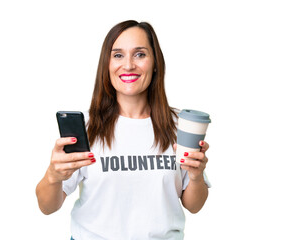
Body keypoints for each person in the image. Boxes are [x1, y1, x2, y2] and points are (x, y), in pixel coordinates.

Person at [36, 20, 211, 240]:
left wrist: (195, 177)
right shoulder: (87, 127)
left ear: (155, 62)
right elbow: (47, 206)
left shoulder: (180, 124)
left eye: (139, 54)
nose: (128, 65)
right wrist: (53, 176)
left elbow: (193, 206)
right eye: (118, 55)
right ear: (107, 65)